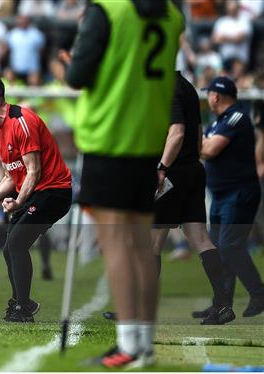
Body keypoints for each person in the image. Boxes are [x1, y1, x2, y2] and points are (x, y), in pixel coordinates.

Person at [62, 0, 183, 368]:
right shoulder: (172, 15)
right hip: (147, 139)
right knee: (141, 246)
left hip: (110, 137)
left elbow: (77, 76)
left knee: (115, 243)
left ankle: (128, 346)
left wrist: (69, 58)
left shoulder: (108, 10)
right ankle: (143, 344)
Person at [103, 71, 236, 325]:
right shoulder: (186, 86)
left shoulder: (168, 88)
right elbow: (197, 134)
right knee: (200, 238)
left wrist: (162, 168)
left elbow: (177, 132)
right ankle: (223, 305)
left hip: (171, 174)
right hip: (192, 170)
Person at [0, 75, 72, 322]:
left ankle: (22, 307)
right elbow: (10, 177)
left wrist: (18, 202)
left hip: (54, 191)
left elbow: (33, 171)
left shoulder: (22, 122)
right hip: (36, 192)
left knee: (16, 243)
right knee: (9, 248)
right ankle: (22, 304)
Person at [199, 76, 264, 318]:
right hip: (220, 194)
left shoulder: (236, 117)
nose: (208, 98)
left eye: (209, 94)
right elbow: (205, 149)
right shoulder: (217, 123)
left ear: (216, 95)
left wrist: (202, 144)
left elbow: (209, 150)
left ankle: (258, 293)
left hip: (239, 193)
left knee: (230, 245)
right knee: (219, 249)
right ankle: (221, 303)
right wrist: (203, 145)